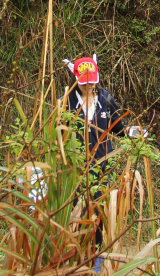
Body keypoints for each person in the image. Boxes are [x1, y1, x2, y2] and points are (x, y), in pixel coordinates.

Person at [62, 55, 144, 272]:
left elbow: (121, 128)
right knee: (75, 214)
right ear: (76, 79)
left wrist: (136, 135)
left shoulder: (105, 99)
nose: (89, 85)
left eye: (92, 81)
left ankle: (96, 259)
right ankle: (74, 258)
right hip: (75, 170)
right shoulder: (67, 101)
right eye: (84, 82)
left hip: (101, 169)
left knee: (97, 212)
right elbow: (58, 133)